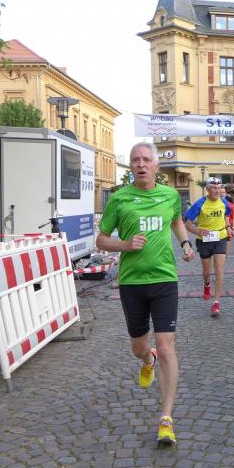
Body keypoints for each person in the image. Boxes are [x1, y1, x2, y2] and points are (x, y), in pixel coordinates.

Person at [96, 142, 196, 445]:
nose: (141, 164)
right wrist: (125, 245)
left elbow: (176, 221)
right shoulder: (119, 199)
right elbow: (101, 240)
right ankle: (146, 359)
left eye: (146, 160)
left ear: (156, 166)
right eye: (135, 160)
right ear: (131, 167)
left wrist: (185, 243)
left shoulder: (170, 196)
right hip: (132, 283)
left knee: (166, 347)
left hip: (165, 280)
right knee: (139, 347)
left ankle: (166, 418)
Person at [185, 177, 234, 316]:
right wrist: (198, 231)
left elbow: (226, 217)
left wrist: (228, 228)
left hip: (220, 238)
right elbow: (187, 224)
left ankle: (216, 302)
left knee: (219, 270)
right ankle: (207, 284)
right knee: (207, 272)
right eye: (214, 188)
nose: (217, 191)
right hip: (204, 240)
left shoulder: (224, 203)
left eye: (219, 188)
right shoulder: (199, 204)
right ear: (207, 189)